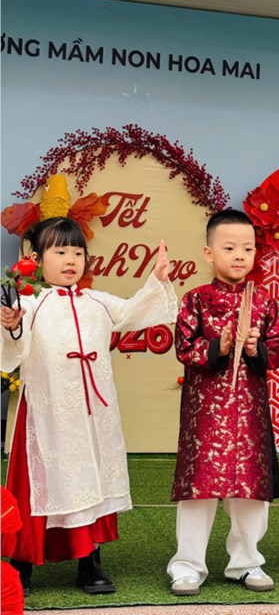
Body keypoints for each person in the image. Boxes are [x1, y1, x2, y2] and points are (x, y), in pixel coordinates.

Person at [0, 216, 177, 596]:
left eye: (78, 252)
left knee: (93, 477)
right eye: (60, 251)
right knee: (39, 484)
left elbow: (134, 312)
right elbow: (13, 347)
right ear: (37, 259)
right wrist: (11, 324)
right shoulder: (30, 303)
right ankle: (23, 561)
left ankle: (90, 561)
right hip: (47, 413)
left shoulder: (98, 301)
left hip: (94, 414)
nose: (71, 260)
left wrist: (156, 279)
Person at [167, 209, 279, 596]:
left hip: (249, 414)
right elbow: (184, 348)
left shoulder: (265, 303)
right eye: (230, 247)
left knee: (251, 490)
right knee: (198, 490)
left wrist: (256, 349)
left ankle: (246, 562)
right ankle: (187, 566)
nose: (240, 255)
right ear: (209, 253)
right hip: (205, 415)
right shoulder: (195, 300)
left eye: (248, 248)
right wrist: (218, 347)